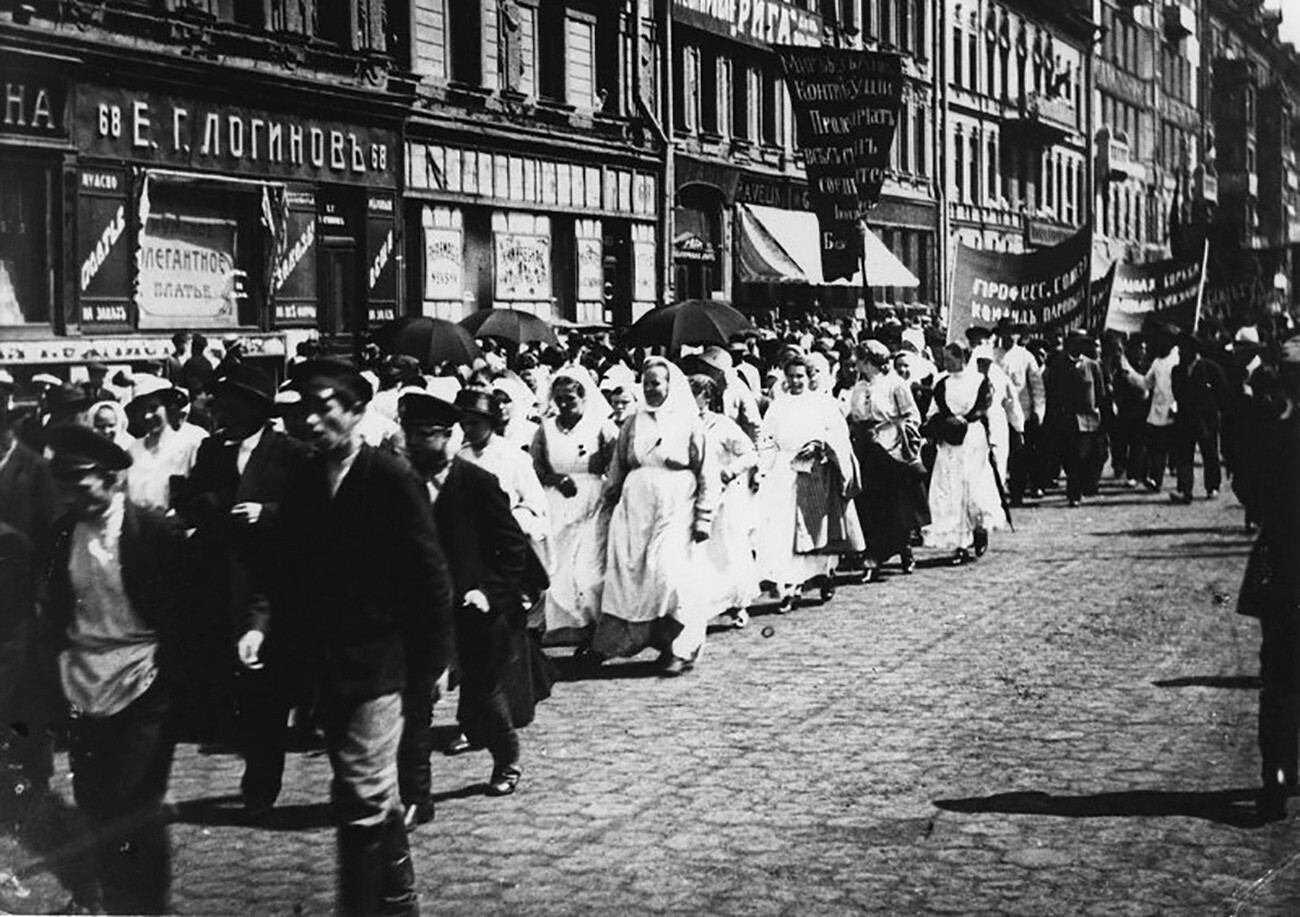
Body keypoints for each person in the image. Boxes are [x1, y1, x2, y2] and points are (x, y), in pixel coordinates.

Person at [239, 360, 454, 916]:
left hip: (382, 660)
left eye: (324, 407)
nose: (310, 420)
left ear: (356, 412)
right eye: (302, 410)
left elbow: (430, 579)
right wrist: (259, 627)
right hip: (323, 666)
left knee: (357, 795)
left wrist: (431, 667)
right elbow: (280, 565)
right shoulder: (304, 477)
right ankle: (401, 898)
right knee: (367, 789)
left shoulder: (390, 477)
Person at [41, 425, 186, 914]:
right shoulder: (62, 536)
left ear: (109, 480)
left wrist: (175, 683)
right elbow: (56, 610)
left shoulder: (154, 532)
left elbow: (189, 615)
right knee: (94, 799)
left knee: (136, 802)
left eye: (80, 484)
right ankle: (108, 896)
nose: (71, 496)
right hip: (82, 679)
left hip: (143, 677)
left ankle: (147, 905)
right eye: (62, 486)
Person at [175, 363, 309, 815]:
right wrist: (208, 505)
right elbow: (191, 499)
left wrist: (267, 512)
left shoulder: (289, 452)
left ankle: (260, 786)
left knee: (265, 693)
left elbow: (311, 510)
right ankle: (254, 763)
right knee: (230, 687)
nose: (221, 417)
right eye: (219, 408)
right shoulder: (212, 451)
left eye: (231, 408)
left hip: (269, 588)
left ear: (256, 409)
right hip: (218, 585)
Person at [398, 388, 534, 807]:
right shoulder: (399, 483)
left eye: (427, 435)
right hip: (418, 614)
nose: (417, 443)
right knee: (414, 706)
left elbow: (513, 551)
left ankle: (506, 760)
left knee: (484, 699)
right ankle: (415, 797)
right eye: (411, 434)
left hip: (473, 613)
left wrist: (488, 592)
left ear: (447, 436)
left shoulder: (477, 483)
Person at [591, 358, 717, 675]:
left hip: (677, 510)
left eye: (656, 383)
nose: (650, 389)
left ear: (670, 386)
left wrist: (704, 517)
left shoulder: (690, 423)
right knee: (630, 579)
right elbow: (619, 466)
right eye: (646, 382)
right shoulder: (633, 422)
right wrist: (609, 503)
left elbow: (708, 474)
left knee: (669, 577)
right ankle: (615, 643)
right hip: (635, 513)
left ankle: (679, 648)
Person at [0, 370, 60, 819]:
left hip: (21, 604)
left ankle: (33, 782)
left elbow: (52, 537)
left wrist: (45, 596)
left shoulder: (34, 468)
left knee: (22, 692)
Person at [756, 354, 862, 607]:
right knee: (785, 531)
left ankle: (825, 574)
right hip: (783, 471)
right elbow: (767, 439)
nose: (795, 381)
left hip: (814, 470)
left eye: (800, 376)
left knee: (813, 528)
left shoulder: (823, 403)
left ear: (809, 377)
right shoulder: (778, 405)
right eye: (790, 376)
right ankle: (790, 586)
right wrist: (762, 470)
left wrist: (821, 445)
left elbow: (838, 435)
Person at [1248, 336, 1300, 820]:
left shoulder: (1271, 432)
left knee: (1281, 681)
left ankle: (1278, 781)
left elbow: (1250, 490)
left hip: (1284, 570)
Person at [530, 368, 617, 648]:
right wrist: (555, 478)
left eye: (570, 398)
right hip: (558, 503)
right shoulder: (545, 430)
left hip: (593, 502)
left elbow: (615, 463)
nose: (564, 405)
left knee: (589, 569)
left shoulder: (600, 427)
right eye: (559, 399)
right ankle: (571, 629)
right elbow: (536, 467)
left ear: (583, 397)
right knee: (559, 569)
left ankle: (595, 628)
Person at [455, 387, 553, 587]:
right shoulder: (460, 456)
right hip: (468, 546)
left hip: (504, 547)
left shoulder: (514, 457)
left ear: (490, 422)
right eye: (463, 423)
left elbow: (536, 504)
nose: (468, 429)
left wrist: (511, 520)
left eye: (474, 423)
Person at [846, 340, 929, 577]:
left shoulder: (896, 384)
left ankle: (904, 548)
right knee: (870, 502)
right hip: (867, 449)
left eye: (860, 361)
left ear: (867, 361)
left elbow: (913, 416)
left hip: (891, 451)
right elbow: (854, 415)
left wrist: (890, 430)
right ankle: (873, 556)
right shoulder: (860, 387)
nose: (858, 366)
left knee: (895, 504)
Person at [923, 342, 1005, 564]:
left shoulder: (980, 382)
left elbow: (990, 413)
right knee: (951, 492)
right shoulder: (942, 384)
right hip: (950, 443)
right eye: (944, 359)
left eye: (951, 359)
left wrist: (993, 442)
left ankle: (979, 530)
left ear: (963, 358)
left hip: (973, 441)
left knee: (973, 488)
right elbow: (933, 411)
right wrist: (939, 425)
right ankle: (959, 544)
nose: (946, 363)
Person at [688, 374, 760, 628]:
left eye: (693, 394)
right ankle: (702, 605)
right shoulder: (680, 424)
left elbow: (749, 453)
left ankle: (738, 604)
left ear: (707, 398)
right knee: (699, 551)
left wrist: (729, 472)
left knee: (727, 549)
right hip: (692, 496)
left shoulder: (722, 424)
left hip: (723, 496)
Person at [1043, 330, 1107, 508]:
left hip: (1087, 422)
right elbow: (1052, 393)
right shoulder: (1057, 365)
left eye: (1083, 342)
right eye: (1077, 342)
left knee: (1081, 457)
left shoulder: (1092, 366)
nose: (1080, 346)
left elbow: (1101, 395)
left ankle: (1075, 493)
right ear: (1069, 344)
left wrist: (1103, 418)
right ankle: (1075, 487)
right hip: (1064, 421)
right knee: (1068, 458)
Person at [124, 376, 205, 511]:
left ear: (168, 409)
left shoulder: (189, 444)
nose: (147, 416)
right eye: (142, 410)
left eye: (153, 408)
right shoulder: (133, 449)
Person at [1169, 331, 1228, 503]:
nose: (1180, 352)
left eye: (1183, 349)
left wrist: (1217, 413)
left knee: (1209, 454)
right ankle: (1184, 490)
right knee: (1184, 456)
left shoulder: (1211, 369)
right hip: (1185, 420)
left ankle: (1212, 487)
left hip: (1207, 421)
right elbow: (1177, 394)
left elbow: (1222, 394)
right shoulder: (1177, 371)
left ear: (1193, 350)